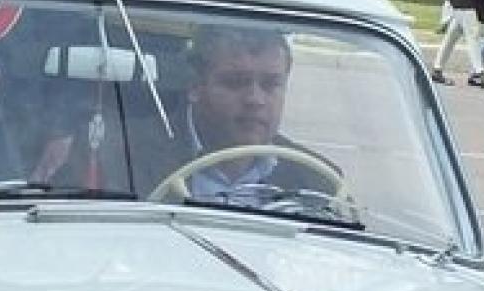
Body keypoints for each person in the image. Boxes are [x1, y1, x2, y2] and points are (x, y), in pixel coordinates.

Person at [126, 27, 340, 204]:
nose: (255, 100)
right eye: (236, 82)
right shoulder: (125, 157)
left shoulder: (319, 182)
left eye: (270, 85)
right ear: (195, 86)